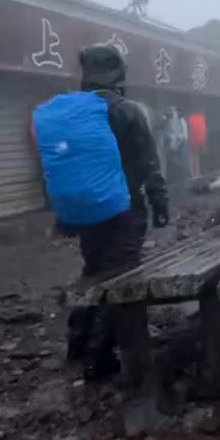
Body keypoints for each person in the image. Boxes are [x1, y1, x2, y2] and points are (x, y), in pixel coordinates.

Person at [57, 44, 169, 383]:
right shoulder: (129, 112)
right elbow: (149, 162)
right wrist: (159, 202)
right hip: (123, 207)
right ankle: (98, 358)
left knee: (93, 271)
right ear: (119, 75)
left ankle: (78, 345)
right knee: (120, 280)